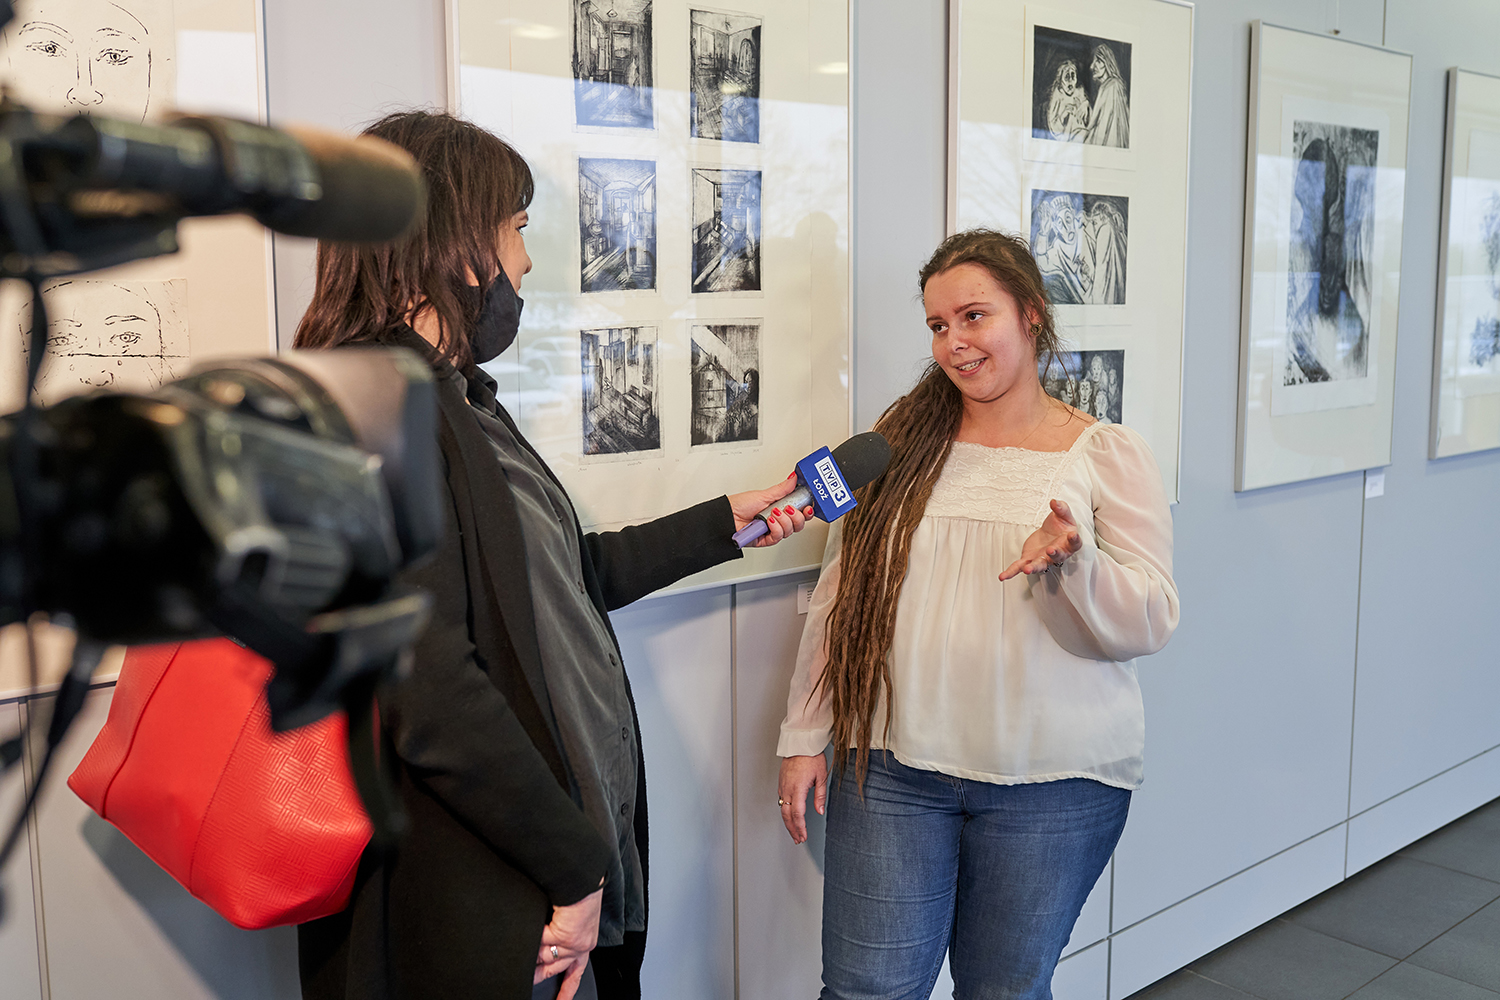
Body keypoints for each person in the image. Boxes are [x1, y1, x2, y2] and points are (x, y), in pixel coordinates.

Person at [293, 111, 813, 1000]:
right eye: (519, 228)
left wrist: (726, 521)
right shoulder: (378, 409)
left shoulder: (457, 401)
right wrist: (573, 868)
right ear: (456, 242)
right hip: (480, 889)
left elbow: (566, 580)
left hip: (539, 868)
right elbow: (430, 690)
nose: (526, 263)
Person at [777, 228, 1178, 999]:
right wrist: (803, 735)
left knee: (1001, 992)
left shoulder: (1105, 454)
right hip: (891, 766)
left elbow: (1153, 618)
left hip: (1054, 780)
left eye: (973, 317)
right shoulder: (896, 444)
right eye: (937, 326)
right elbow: (840, 596)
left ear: (1030, 315)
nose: (954, 343)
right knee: (866, 990)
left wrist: (1076, 564)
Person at [1085, 44, 1129, 148]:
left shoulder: (1111, 86)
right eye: (1094, 61)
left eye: (1098, 61)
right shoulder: (1109, 86)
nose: (1092, 66)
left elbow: (1103, 125)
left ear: (1107, 64)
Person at [1043, 59, 1090, 142]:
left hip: (1083, 135)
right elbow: (1054, 129)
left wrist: (1086, 105)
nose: (1070, 81)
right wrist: (1063, 115)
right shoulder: (1057, 95)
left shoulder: (1080, 92)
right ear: (1061, 80)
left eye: (1073, 76)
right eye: (1067, 77)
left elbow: (1090, 122)